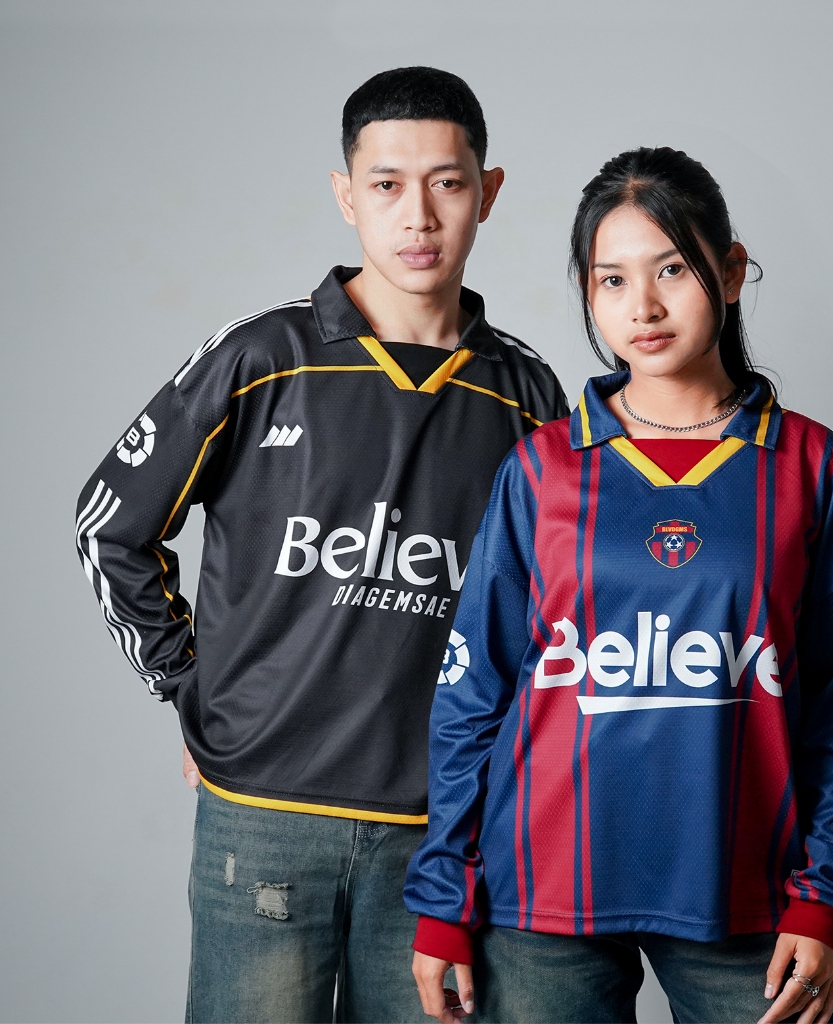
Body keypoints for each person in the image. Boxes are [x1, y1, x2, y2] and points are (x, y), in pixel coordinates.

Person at [75, 66, 567, 1023]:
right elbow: (109, 524)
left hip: (440, 834)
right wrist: (187, 685)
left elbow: (554, 614)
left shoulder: (527, 396)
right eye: (386, 184)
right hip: (264, 817)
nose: (417, 214)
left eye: (447, 182)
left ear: (488, 192)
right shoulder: (262, 357)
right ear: (347, 195)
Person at [406, 146, 833, 1024]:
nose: (644, 306)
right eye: (612, 280)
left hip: (745, 892)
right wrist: (445, 894)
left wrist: (825, 894)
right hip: (541, 893)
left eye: (672, 269)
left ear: (732, 272)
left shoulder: (814, 469)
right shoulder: (542, 469)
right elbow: (473, 690)